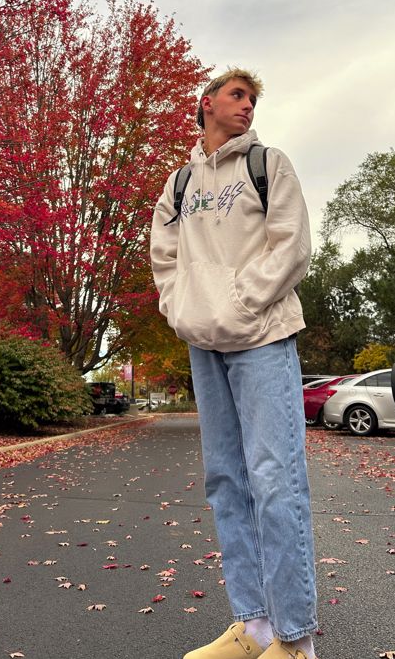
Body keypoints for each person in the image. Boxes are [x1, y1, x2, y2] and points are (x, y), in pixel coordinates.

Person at [150, 68, 318, 659]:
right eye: (237, 95)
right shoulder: (179, 184)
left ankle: (296, 641)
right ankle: (254, 628)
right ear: (207, 104)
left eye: (253, 99)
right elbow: (165, 258)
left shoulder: (268, 166)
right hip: (205, 343)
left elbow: (293, 246)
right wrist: (183, 310)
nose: (247, 106)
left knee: (275, 481)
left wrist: (242, 302)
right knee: (226, 481)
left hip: (262, 337)